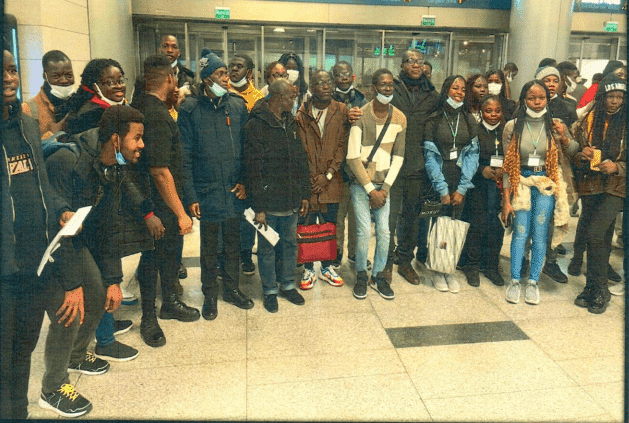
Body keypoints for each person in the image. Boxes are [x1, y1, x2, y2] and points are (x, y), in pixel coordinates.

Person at [41, 106, 158, 417]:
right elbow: (55, 227)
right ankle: (52, 388)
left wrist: (113, 280)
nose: (142, 145)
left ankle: (76, 355)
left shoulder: (112, 167)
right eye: (137, 138)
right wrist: (71, 285)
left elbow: (107, 228)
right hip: (44, 245)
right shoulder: (67, 161)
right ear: (116, 139)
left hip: (74, 240)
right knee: (69, 309)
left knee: (96, 295)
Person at [0, 48, 77, 419]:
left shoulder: (27, 125)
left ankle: (19, 411)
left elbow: (40, 184)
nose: (8, 78)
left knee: (23, 347)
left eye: (12, 69)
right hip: (4, 267)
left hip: (34, 261)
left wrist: (61, 208)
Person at [179, 50, 254, 321]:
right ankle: (210, 294)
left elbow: (247, 149)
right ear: (207, 79)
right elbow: (184, 157)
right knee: (209, 247)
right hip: (206, 190)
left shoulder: (237, 106)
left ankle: (232, 289)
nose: (226, 78)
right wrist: (190, 195)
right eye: (220, 74)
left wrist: (245, 181)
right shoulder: (190, 110)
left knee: (233, 243)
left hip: (233, 190)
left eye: (225, 73)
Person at [131, 54, 199, 347]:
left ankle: (169, 302)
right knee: (153, 257)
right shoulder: (156, 115)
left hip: (159, 201)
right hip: (160, 204)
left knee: (169, 254)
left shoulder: (144, 105)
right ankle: (150, 317)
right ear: (170, 78)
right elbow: (159, 171)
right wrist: (180, 213)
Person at [501, 80, 576, 305]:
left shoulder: (555, 124)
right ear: (524, 100)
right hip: (521, 182)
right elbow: (507, 166)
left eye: (541, 98)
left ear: (547, 99)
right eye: (532, 98)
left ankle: (533, 282)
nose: (537, 102)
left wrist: (563, 136)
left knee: (540, 233)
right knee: (521, 232)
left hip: (545, 182)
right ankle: (515, 281)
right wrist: (506, 200)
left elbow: (574, 149)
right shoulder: (512, 126)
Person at [244, 79, 310, 312]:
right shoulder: (256, 125)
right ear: (278, 97)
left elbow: (300, 159)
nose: (294, 100)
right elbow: (253, 169)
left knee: (290, 245)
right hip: (268, 203)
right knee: (267, 248)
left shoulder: (290, 122)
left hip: (291, 199)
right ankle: (270, 290)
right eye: (291, 97)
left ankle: (288, 285)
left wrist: (304, 194)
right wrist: (259, 207)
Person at [346, 68, 406, 300]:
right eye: (383, 85)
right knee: (362, 232)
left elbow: (398, 157)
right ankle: (361, 274)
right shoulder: (360, 116)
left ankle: (378, 276)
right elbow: (352, 157)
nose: (387, 89)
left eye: (391, 85)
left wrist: (385, 189)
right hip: (361, 185)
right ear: (373, 88)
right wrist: (371, 191)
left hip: (384, 186)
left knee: (384, 231)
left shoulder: (400, 118)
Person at [570, 74, 626, 314]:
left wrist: (617, 167)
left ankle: (600, 288)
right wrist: (581, 154)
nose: (615, 101)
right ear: (601, 97)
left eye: (619, 97)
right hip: (591, 185)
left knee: (595, 235)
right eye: (610, 96)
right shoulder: (587, 120)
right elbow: (572, 152)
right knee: (599, 238)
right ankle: (592, 287)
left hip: (617, 188)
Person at [423, 75, 480, 293]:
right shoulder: (434, 118)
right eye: (455, 88)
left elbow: (473, 154)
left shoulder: (468, 119)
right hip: (439, 178)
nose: (459, 93)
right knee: (440, 224)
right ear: (446, 89)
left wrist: (463, 188)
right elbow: (429, 156)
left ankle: (449, 270)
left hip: (461, 178)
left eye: (463, 89)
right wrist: (442, 189)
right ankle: (438, 270)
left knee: (455, 224)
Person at [388, 50, 439, 285]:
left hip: (418, 166)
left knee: (411, 217)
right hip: (390, 163)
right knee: (388, 217)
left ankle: (405, 262)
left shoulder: (432, 95)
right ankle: (385, 262)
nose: (416, 65)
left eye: (419, 61)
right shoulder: (391, 88)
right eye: (410, 61)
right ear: (402, 65)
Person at [295, 70, 349, 289]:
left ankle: (327, 267)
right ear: (312, 88)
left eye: (328, 82)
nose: (325, 86)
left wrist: (327, 175)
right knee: (307, 225)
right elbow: (300, 149)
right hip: (308, 182)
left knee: (329, 225)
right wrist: (310, 178)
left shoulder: (341, 110)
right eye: (319, 83)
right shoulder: (302, 114)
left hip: (331, 180)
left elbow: (342, 146)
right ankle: (308, 269)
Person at [459, 94, 505, 287]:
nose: (493, 115)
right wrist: (481, 170)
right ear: (481, 112)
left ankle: (491, 266)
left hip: (499, 186)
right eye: (488, 111)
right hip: (478, 186)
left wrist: (504, 169)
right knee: (476, 225)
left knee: (495, 227)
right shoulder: (474, 131)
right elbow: (464, 158)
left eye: (497, 111)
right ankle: (471, 265)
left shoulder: (505, 132)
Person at [227, 53, 265, 275]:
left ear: (248, 73)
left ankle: (246, 254)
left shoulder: (258, 98)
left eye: (239, 67)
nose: (233, 70)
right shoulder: (222, 92)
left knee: (248, 214)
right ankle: (226, 256)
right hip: (227, 162)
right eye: (231, 66)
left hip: (249, 161)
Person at [331, 61, 368, 268]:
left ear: (353, 76)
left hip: (357, 167)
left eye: (347, 74)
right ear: (333, 78)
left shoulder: (362, 100)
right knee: (337, 216)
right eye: (339, 74)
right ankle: (336, 254)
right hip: (336, 168)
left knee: (356, 217)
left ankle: (355, 253)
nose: (344, 77)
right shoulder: (327, 99)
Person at [23, 50, 75, 150]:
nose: (64, 80)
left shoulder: (79, 102)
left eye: (69, 75)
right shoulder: (28, 109)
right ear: (45, 76)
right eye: (56, 76)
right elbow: (26, 150)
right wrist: (52, 134)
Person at [66, 59, 127, 136]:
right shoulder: (89, 117)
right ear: (95, 86)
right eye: (110, 82)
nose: (119, 86)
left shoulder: (125, 109)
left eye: (121, 80)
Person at [158, 34, 195, 103]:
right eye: (165, 46)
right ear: (159, 50)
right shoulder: (149, 76)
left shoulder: (188, 78)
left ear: (179, 52)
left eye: (174, 47)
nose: (169, 50)